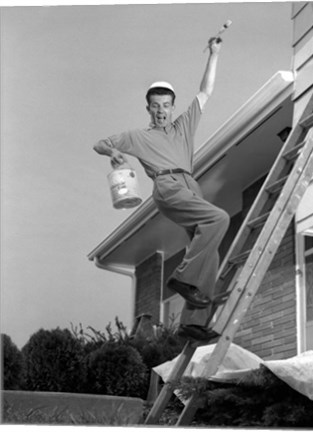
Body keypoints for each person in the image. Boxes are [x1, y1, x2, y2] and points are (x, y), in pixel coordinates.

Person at [94, 37, 230, 342]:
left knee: (209, 250)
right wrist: (112, 153)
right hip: (167, 186)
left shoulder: (184, 126)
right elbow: (100, 142)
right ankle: (182, 276)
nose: (161, 111)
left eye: (166, 106)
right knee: (219, 219)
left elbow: (205, 91)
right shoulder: (138, 136)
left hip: (190, 185)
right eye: (155, 107)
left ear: (172, 107)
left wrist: (214, 54)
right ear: (148, 108)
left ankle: (192, 322)